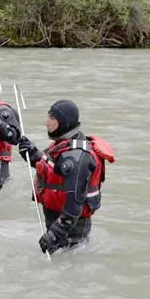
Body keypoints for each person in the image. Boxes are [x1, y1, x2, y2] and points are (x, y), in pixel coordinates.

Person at [17, 100, 115, 254]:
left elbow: (74, 204)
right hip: (58, 220)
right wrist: (31, 153)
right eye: (48, 117)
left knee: (69, 264)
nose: (47, 122)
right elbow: (50, 167)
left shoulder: (76, 156)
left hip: (71, 229)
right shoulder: (63, 144)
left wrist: (55, 234)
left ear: (63, 122)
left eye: (52, 119)